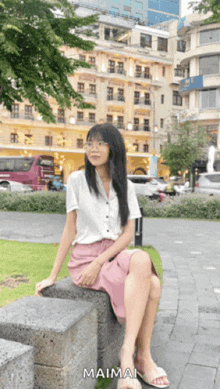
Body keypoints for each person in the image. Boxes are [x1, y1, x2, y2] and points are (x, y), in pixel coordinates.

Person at [35, 123, 169, 389]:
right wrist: (52, 276)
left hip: (112, 253)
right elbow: (69, 230)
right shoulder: (76, 180)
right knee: (152, 284)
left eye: (100, 143)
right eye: (89, 143)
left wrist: (101, 261)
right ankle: (140, 358)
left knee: (141, 259)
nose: (93, 149)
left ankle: (128, 357)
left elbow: (128, 234)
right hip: (86, 257)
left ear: (113, 147)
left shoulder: (125, 185)